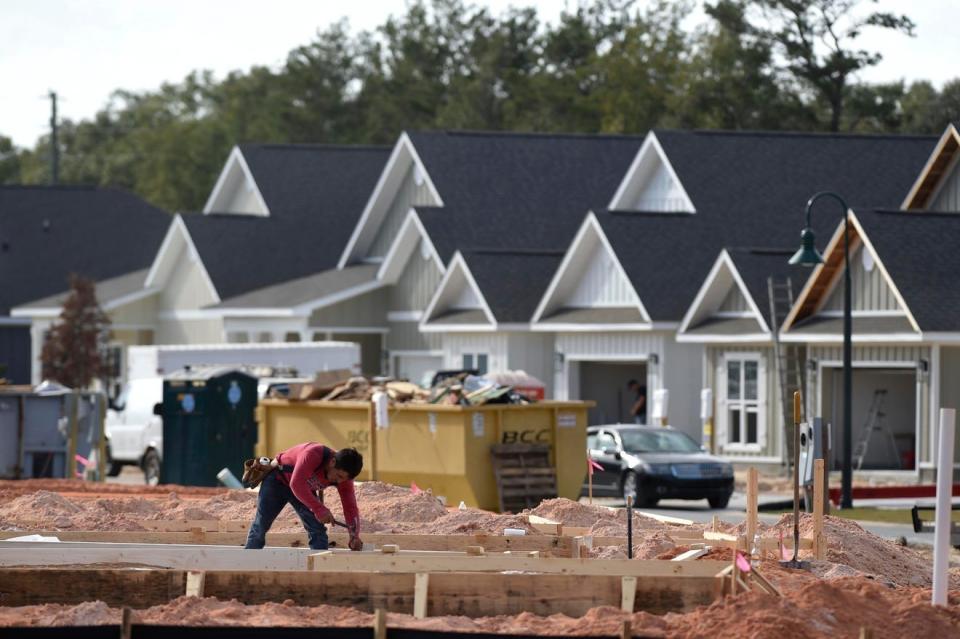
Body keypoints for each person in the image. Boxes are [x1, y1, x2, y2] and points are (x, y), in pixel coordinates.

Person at [245, 443, 364, 551]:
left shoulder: (344, 479)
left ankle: (319, 568)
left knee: (317, 529)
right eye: (338, 475)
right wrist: (319, 509)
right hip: (278, 481)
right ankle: (249, 560)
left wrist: (354, 536)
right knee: (261, 524)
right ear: (332, 462)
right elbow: (296, 484)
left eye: (343, 478)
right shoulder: (313, 454)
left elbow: (350, 508)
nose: (339, 481)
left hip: (304, 489)